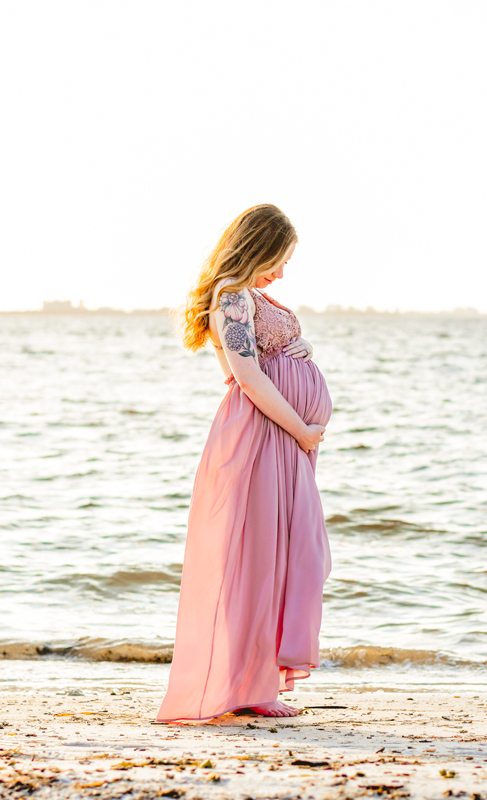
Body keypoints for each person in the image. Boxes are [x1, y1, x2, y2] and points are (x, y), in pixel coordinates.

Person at [156, 204, 332, 723]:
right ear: (257, 246)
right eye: (279, 258)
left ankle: (256, 681)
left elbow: (268, 354)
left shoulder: (249, 296)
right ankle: (249, 686)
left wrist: (301, 347)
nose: (281, 272)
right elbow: (249, 376)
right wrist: (300, 428)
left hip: (281, 440)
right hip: (260, 436)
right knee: (257, 560)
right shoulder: (231, 295)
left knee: (294, 554)